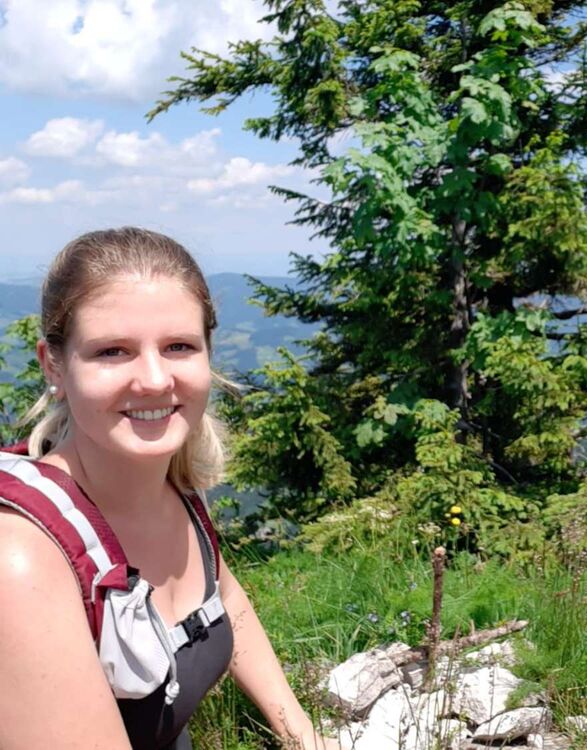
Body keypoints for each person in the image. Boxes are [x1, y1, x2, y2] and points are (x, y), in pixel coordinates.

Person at [0, 228, 339, 749]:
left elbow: (222, 594)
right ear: (54, 366)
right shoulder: (22, 560)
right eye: (113, 351)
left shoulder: (177, 491)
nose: (156, 380)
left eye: (179, 346)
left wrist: (302, 735)